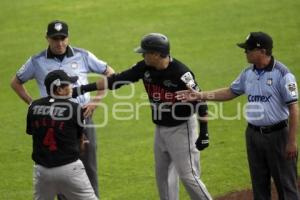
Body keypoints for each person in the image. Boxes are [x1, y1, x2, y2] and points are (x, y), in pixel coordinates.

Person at [74, 33, 212, 200]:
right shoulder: (145, 67)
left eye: (145, 52)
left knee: (189, 176)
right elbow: (117, 79)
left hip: (182, 129)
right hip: (160, 129)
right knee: (163, 178)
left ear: (155, 54)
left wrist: (204, 132)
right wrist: (83, 89)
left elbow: (201, 101)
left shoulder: (181, 73)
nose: (142, 55)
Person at [176, 32, 300, 200]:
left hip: (278, 136)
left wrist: (291, 142)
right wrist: (200, 95)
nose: (245, 52)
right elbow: (230, 92)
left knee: (286, 186)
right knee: (259, 184)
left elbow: (294, 108)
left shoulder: (283, 75)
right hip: (253, 135)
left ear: (262, 51)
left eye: (248, 49)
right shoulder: (248, 73)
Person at [11, 20, 115, 199]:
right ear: (47, 39)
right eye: (54, 39)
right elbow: (16, 82)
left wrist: (96, 101)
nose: (59, 43)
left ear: (68, 37)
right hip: (54, 121)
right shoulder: (36, 61)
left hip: (83, 115)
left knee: (88, 165)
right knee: (59, 165)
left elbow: (110, 74)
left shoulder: (83, 55)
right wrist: (32, 104)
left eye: (63, 38)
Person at [26, 70, 98, 200]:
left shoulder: (33, 107)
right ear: (59, 90)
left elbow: (33, 132)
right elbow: (80, 141)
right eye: (68, 85)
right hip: (70, 169)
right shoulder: (75, 108)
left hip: (42, 171)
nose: (71, 87)